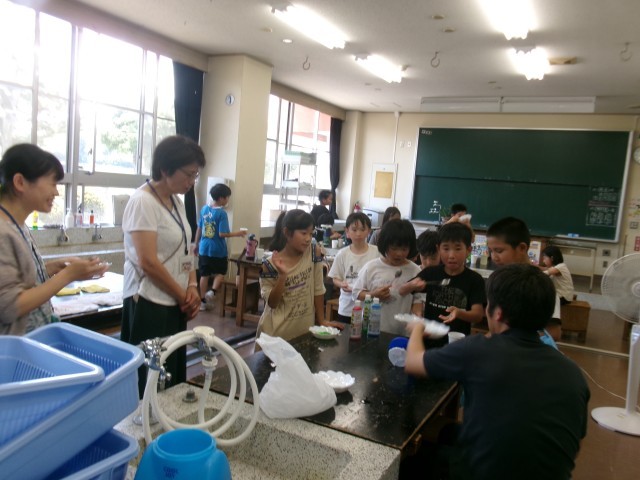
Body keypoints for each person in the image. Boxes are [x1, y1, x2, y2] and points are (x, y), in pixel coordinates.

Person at [404, 264, 590, 480]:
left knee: (412, 457)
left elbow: (413, 363)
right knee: (448, 432)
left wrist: (417, 327)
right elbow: (576, 443)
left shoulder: (478, 349)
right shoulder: (572, 371)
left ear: (498, 313)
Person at [121, 135, 205, 397]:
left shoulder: (176, 201)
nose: (192, 182)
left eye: (195, 175)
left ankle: (168, 417)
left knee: (171, 369)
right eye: (189, 174)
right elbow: (147, 262)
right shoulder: (143, 201)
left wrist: (192, 286)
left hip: (175, 299)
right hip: (148, 299)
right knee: (148, 376)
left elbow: (187, 247)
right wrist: (182, 296)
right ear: (166, 169)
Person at [0, 144, 108, 336]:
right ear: (20, 182)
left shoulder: (17, 224)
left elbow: (16, 279)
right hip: (13, 348)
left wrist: (51, 268)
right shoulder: (2, 231)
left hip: (33, 338)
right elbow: (9, 307)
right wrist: (67, 275)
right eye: (52, 183)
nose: (57, 192)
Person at [257, 209, 342, 342]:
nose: (308, 239)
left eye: (311, 233)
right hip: (275, 335)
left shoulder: (314, 253)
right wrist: (282, 276)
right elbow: (272, 303)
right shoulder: (270, 264)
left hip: (304, 331)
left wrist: (322, 320)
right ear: (287, 232)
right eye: (303, 233)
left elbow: (318, 288)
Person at [401, 223, 485, 345]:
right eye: (446, 249)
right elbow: (402, 291)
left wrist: (459, 313)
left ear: (468, 250)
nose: (451, 255)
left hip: (457, 343)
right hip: (428, 341)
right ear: (439, 249)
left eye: (458, 249)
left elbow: (478, 315)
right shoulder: (431, 273)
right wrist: (412, 285)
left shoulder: (474, 279)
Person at [486, 216, 562, 344]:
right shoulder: (498, 281)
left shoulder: (540, 283)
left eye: (499, 251)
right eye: (491, 251)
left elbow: (555, 332)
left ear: (522, 248)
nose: (494, 257)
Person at [352, 219, 424, 335]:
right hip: (371, 331)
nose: (399, 253)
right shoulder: (372, 267)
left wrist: (418, 317)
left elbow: (418, 300)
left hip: (402, 333)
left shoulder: (415, 271)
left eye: (404, 249)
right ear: (385, 245)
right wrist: (374, 294)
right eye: (394, 248)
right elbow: (356, 293)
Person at [193, 183, 246, 311]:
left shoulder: (204, 209)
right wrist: (238, 233)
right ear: (221, 198)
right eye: (227, 197)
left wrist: (196, 243)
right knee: (221, 272)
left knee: (204, 274)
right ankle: (213, 291)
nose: (228, 200)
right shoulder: (221, 213)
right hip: (218, 249)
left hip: (204, 248)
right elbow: (222, 234)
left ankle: (202, 302)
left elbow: (199, 228)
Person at [328, 212, 380, 323]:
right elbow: (335, 278)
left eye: (362, 229)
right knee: (345, 333)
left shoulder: (376, 252)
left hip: (369, 308)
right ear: (347, 231)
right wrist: (341, 284)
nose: (358, 234)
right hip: (347, 307)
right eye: (354, 230)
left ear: (369, 231)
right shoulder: (342, 254)